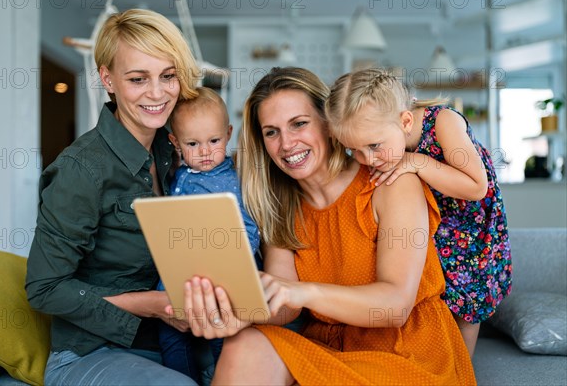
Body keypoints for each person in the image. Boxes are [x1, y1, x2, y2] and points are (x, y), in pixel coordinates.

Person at [177, 67, 476, 385]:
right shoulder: (282, 205)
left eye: (299, 124)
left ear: (330, 124)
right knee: (244, 344)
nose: (287, 143)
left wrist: (303, 292)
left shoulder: (390, 181)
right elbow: (284, 306)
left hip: (407, 351)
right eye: (271, 132)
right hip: (329, 347)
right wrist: (236, 314)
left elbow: (394, 306)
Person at [25, 9, 201, 386]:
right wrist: (154, 305)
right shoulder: (81, 169)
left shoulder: (174, 150)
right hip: (89, 352)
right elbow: (44, 290)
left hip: (171, 342)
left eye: (168, 76)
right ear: (107, 78)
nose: (157, 93)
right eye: (138, 79)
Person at [325, 68, 512, 357]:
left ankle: (463, 368)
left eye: (374, 146)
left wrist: (416, 162)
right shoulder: (383, 142)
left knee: (466, 304)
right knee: (433, 296)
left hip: (470, 229)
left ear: (406, 120)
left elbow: (477, 187)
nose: (368, 160)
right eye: (354, 151)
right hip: (436, 225)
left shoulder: (443, 123)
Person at [156, 86, 262, 381]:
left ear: (228, 134)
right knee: (171, 334)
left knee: (223, 336)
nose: (204, 151)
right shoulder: (178, 174)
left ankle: (220, 376)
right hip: (179, 275)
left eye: (214, 141)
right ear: (175, 142)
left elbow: (250, 230)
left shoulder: (235, 181)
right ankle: (184, 379)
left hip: (222, 276)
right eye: (192, 143)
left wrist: (233, 260)